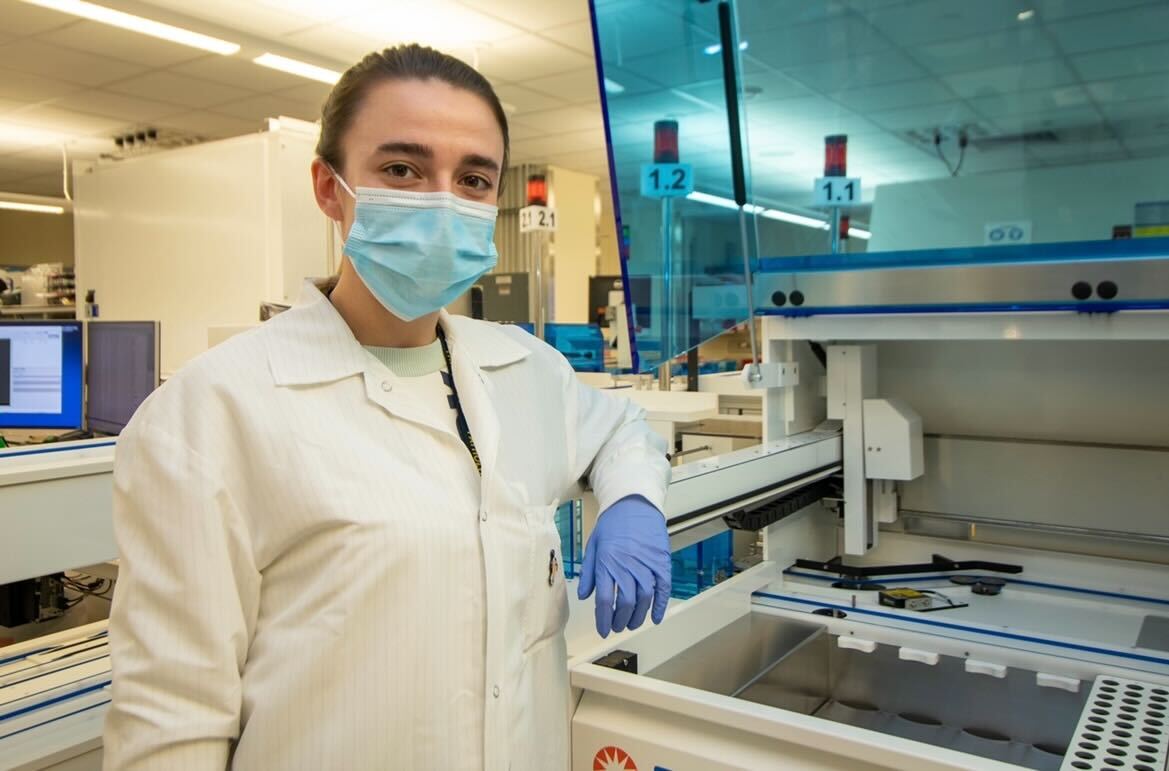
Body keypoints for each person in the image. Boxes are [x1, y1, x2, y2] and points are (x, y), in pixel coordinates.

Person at [103, 44, 671, 771]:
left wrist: (632, 503)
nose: (441, 200)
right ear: (328, 188)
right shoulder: (209, 413)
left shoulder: (523, 366)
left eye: (471, 178)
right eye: (402, 169)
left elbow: (620, 428)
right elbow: (170, 725)